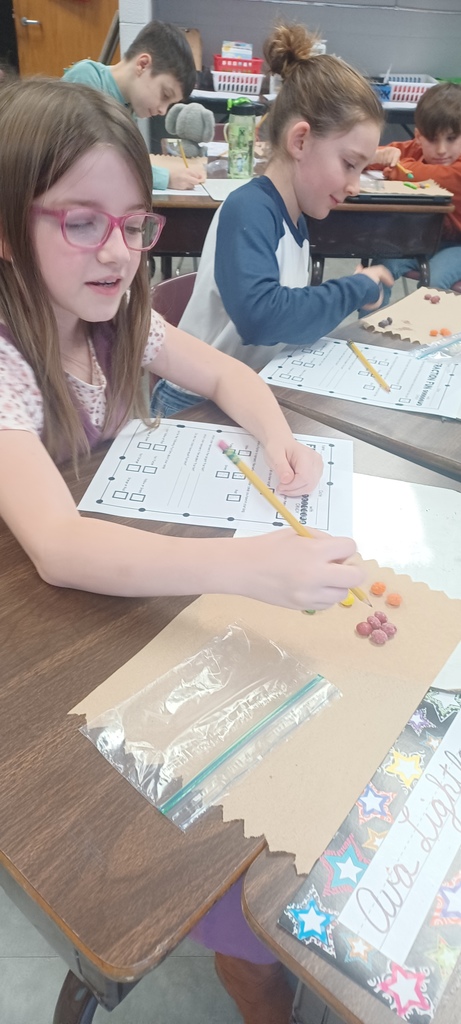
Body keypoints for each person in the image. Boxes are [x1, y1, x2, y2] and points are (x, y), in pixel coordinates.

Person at [0, 77, 364, 1023]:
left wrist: (276, 435)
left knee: (297, 740)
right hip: (46, 657)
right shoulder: (5, 353)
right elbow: (58, 546)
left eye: (132, 224)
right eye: (81, 222)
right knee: (217, 864)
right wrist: (250, 570)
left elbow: (225, 369)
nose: (116, 254)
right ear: (7, 229)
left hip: (136, 604)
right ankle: (253, 966)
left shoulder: (117, 317)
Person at [150, 22, 393, 418]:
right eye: (349, 164)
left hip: (244, 394)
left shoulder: (295, 217)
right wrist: (353, 289)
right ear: (299, 141)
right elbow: (262, 317)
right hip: (193, 402)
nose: (354, 185)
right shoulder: (250, 209)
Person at [63, 20, 204, 192]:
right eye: (165, 95)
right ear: (142, 64)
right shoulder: (86, 79)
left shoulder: (128, 106)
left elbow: (127, 161)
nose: (162, 110)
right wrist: (166, 177)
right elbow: (91, 165)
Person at [362, 81, 461, 306]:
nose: (442, 150)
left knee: (435, 280)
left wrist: (393, 166)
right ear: (418, 136)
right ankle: (370, 336)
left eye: (452, 138)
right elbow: (365, 153)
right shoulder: (415, 150)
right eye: (433, 139)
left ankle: (428, 339)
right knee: (377, 271)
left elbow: (424, 174)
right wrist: (382, 155)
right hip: (420, 240)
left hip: (457, 246)